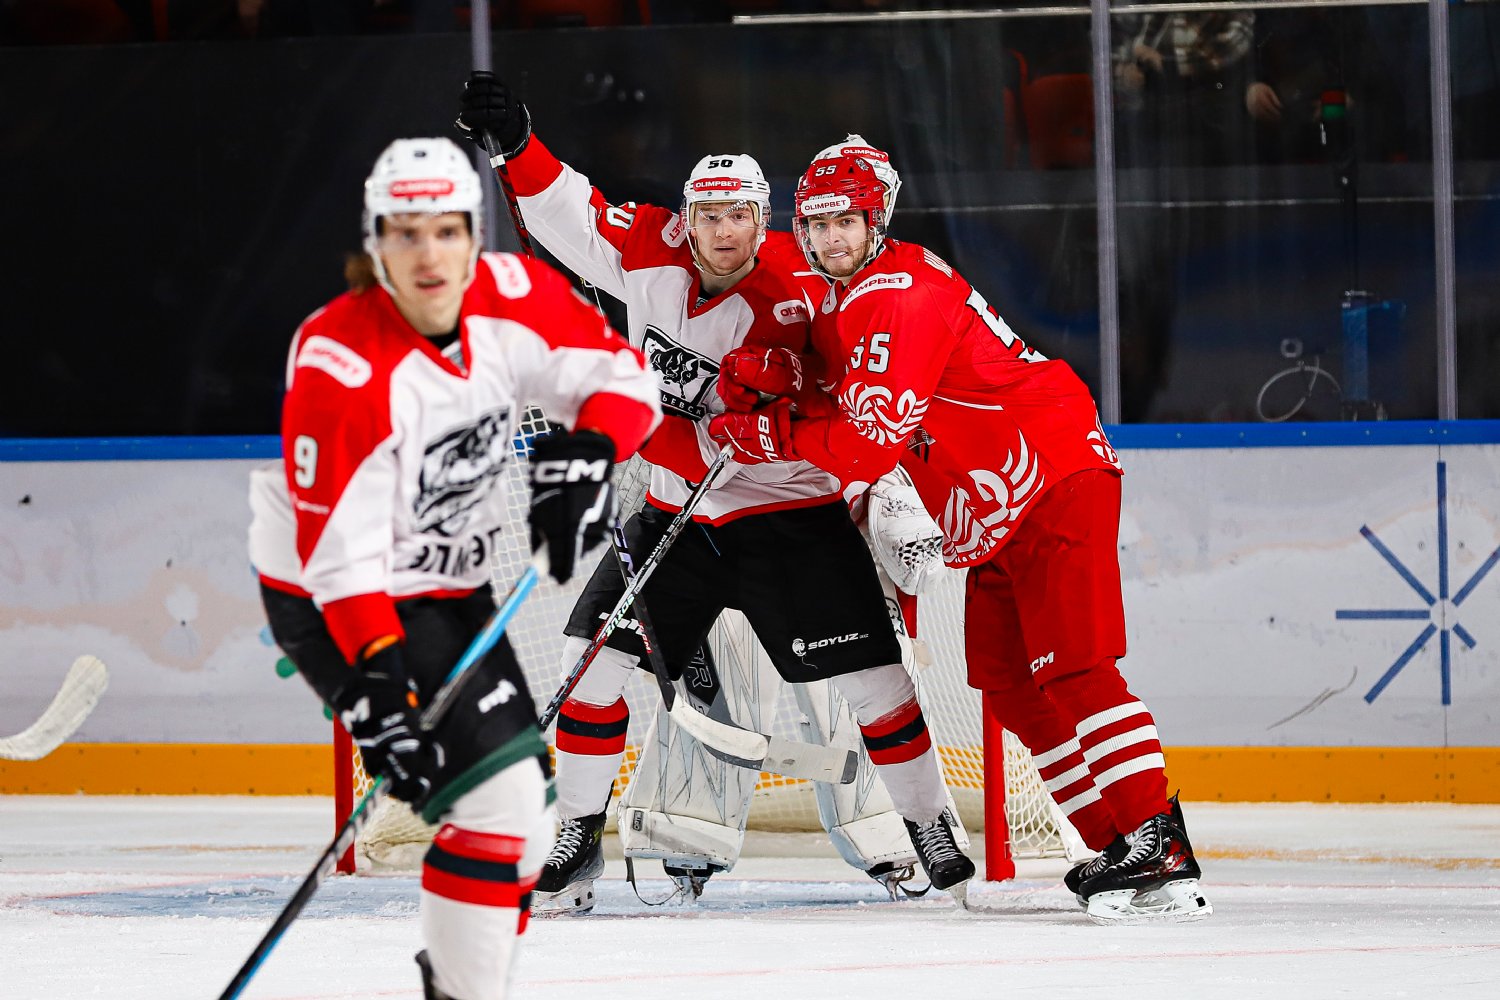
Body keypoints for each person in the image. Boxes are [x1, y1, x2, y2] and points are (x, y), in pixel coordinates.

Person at [455, 74, 976, 911]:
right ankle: (577, 840)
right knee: (592, 667)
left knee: (876, 686)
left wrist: (812, 413)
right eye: (708, 215)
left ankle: (927, 827)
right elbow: (572, 213)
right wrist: (518, 147)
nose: (723, 231)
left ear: (764, 221)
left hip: (792, 519)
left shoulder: (813, 288)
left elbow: (868, 396)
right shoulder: (647, 245)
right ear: (686, 218)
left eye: (739, 215)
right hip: (678, 517)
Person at [708, 151, 1212, 923]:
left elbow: (868, 443)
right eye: (818, 224)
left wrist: (773, 432)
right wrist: (783, 375)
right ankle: (1115, 842)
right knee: (1011, 683)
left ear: (875, 222)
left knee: (1076, 667)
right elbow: (829, 372)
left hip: (1046, 472)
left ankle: (1158, 841)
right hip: (991, 504)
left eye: (847, 222)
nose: (832, 238)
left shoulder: (897, 295)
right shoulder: (846, 298)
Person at [260, 135, 661, 1000]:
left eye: (447, 230)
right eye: (406, 233)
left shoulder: (514, 294)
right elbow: (340, 562)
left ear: (475, 234)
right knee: (500, 808)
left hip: (447, 587)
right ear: (375, 243)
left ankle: (453, 983)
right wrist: (375, 687)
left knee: (521, 823)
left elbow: (627, 381)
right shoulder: (340, 363)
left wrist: (591, 449)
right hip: (336, 594)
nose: (429, 254)